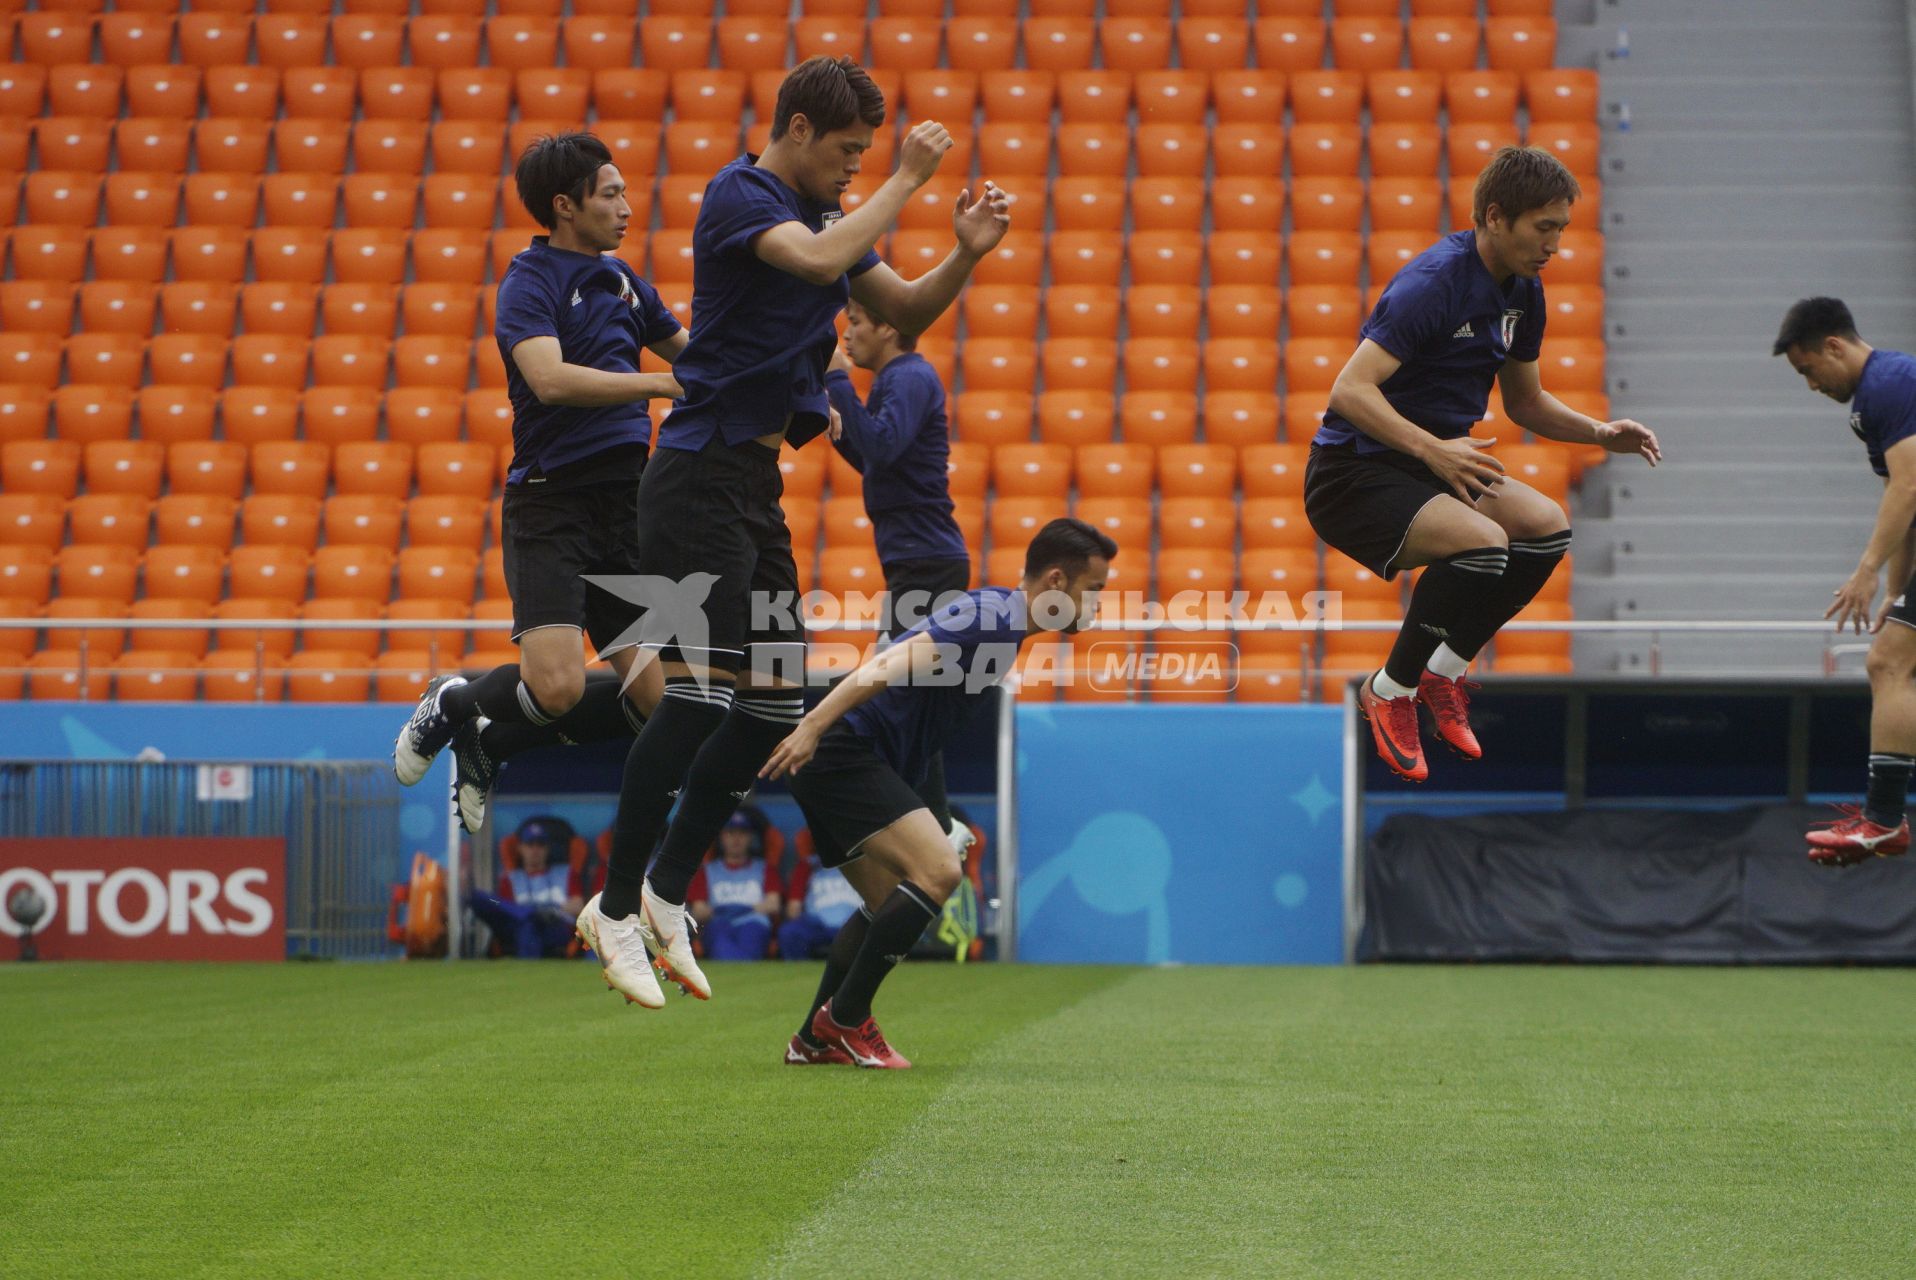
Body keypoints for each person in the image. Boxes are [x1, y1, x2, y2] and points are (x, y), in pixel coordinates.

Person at [575, 55, 1012, 1011]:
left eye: (870, 155)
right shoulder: (743, 195)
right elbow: (818, 263)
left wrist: (967, 252)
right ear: (801, 132)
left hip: (753, 485)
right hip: (697, 474)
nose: (858, 168)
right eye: (849, 152)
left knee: (774, 708)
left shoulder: (825, 218)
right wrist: (905, 177)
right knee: (697, 700)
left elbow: (902, 311)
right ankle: (613, 906)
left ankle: (661, 892)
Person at [1307, 146, 1662, 783]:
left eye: (1561, 229)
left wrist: (1599, 433)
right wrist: (1434, 448)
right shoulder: (1432, 284)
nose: (1555, 244)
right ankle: (1390, 690)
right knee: (1483, 546)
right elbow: (1348, 392)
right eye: (1542, 227)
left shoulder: (1525, 291)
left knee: (1547, 525)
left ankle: (1443, 675)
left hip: (1435, 465)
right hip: (1353, 474)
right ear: (1495, 217)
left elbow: (1525, 402)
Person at [392, 133, 684, 852]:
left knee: (665, 708)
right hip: (552, 503)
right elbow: (550, 380)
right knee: (553, 688)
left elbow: (696, 353)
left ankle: (494, 745)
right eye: (610, 194)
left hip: (627, 506)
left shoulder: (624, 281)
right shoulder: (530, 281)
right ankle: (454, 700)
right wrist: (656, 383)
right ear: (566, 206)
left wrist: (790, 362)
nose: (625, 206)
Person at [762, 518, 1115, 1069]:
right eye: (1093, 591)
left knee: (885, 902)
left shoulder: (1002, 621)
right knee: (940, 872)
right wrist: (812, 727)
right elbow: (885, 663)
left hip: (845, 752)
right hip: (841, 748)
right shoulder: (992, 621)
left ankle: (810, 1040)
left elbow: (928, 731)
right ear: (1055, 581)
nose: (1097, 606)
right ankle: (845, 1020)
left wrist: (937, 810)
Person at [826, 297, 973, 856]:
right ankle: (935, 826)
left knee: (898, 691)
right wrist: (837, 412)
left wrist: (839, 385)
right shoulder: (901, 379)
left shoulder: (910, 376)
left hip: (927, 565)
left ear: (889, 325)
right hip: (917, 562)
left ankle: (934, 828)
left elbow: (880, 447)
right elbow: (872, 456)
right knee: (907, 694)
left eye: (857, 323)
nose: (848, 335)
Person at [1774, 297, 1916, 865]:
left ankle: (1883, 820)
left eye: (1808, 370)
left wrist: (1865, 573)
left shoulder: (1889, 384)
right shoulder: (1875, 402)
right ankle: (1884, 819)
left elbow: (1908, 488)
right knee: (1891, 662)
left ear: (1834, 346)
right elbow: (1904, 502)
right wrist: (1895, 591)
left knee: (1889, 664)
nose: (1810, 386)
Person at [467, 817, 583, 958]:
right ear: (520, 848)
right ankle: (529, 913)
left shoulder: (565, 873)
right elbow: (504, 909)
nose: (535, 850)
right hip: (518, 927)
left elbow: (578, 906)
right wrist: (532, 912)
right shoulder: (510, 878)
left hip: (554, 927)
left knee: (528, 925)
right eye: (530, 844)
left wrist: (551, 910)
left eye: (540, 845)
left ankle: (529, 915)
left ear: (547, 849)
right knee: (479, 897)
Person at [686, 812, 782, 959]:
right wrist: (722, 911)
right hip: (717, 923)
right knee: (719, 937)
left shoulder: (764, 868)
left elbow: (773, 904)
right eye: (731, 833)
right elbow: (698, 911)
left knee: (752, 935)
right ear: (721, 837)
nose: (736, 839)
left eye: (742, 833)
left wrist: (746, 909)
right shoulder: (706, 871)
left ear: (750, 837)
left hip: (754, 922)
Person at [776, 839, 866, 963]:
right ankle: (800, 975)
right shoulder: (808, 865)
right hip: (817, 925)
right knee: (789, 932)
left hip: (856, 924)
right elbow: (793, 908)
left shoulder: (866, 862)